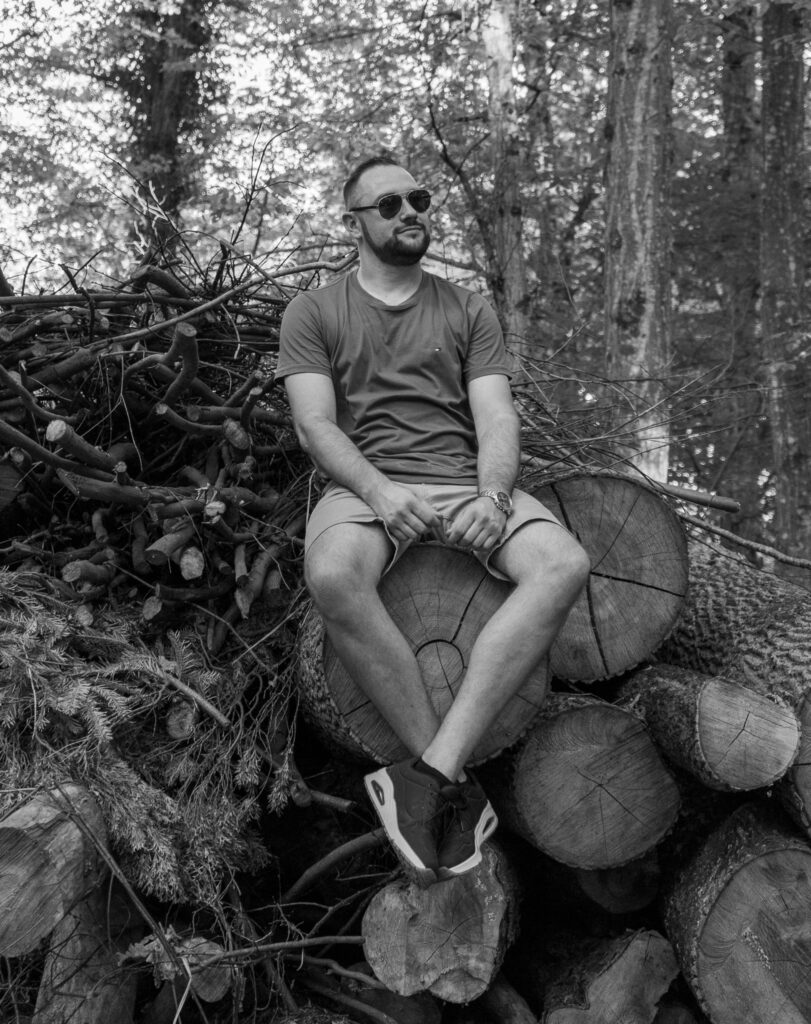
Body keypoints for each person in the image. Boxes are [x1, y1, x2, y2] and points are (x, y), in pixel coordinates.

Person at [276, 155, 590, 886]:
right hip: (366, 489)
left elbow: (497, 418)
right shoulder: (313, 312)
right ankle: (444, 781)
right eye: (388, 204)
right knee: (332, 574)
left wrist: (494, 497)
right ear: (353, 223)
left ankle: (429, 776)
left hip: (465, 485)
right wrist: (380, 492)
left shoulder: (468, 309)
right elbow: (315, 426)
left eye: (418, 198)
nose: (410, 211)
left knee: (564, 564)